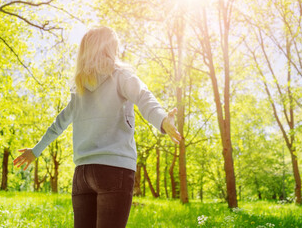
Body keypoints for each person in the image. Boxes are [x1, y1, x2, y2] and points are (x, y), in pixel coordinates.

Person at [13, 26, 182, 228]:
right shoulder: (121, 76)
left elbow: (59, 123)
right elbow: (144, 98)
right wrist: (163, 120)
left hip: (83, 174)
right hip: (114, 169)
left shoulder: (80, 87)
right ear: (111, 48)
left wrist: (36, 150)